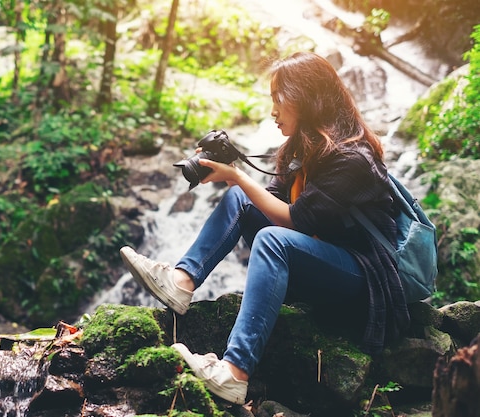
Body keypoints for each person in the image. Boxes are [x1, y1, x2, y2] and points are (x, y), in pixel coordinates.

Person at [120, 51, 410, 405]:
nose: (273, 110)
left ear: (308, 99)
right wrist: (228, 172)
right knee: (239, 200)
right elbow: (264, 202)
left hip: (365, 279)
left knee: (273, 239)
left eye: (279, 99)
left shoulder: (353, 158)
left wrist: (238, 176)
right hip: (323, 264)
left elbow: (294, 220)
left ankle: (234, 372)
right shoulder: (304, 147)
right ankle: (181, 283)